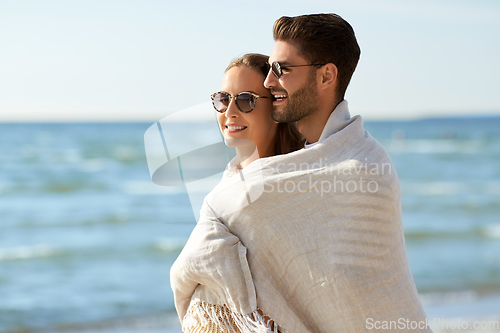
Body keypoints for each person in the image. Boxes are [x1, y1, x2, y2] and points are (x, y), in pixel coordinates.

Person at [172, 14, 432, 333]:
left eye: (281, 70)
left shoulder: (363, 165)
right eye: (222, 99)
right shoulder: (283, 173)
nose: (270, 81)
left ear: (326, 76)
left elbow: (365, 292)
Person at [171, 53, 303, 333]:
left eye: (245, 100)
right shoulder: (227, 185)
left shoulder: (294, 188)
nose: (230, 111)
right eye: (222, 99)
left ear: (276, 108)